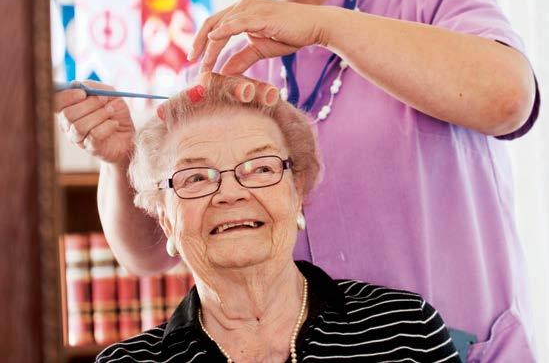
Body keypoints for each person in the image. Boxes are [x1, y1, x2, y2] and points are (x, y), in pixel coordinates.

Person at [55, 0, 540, 360]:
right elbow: (152, 252)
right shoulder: (224, 63)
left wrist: (322, 24)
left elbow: (507, 99)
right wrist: (118, 161)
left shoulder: (436, 5)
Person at [95, 75, 461, 363]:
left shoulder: (404, 331)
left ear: (297, 191)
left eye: (260, 168)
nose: (231, 193)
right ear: (165, 219)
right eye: (196, 178)